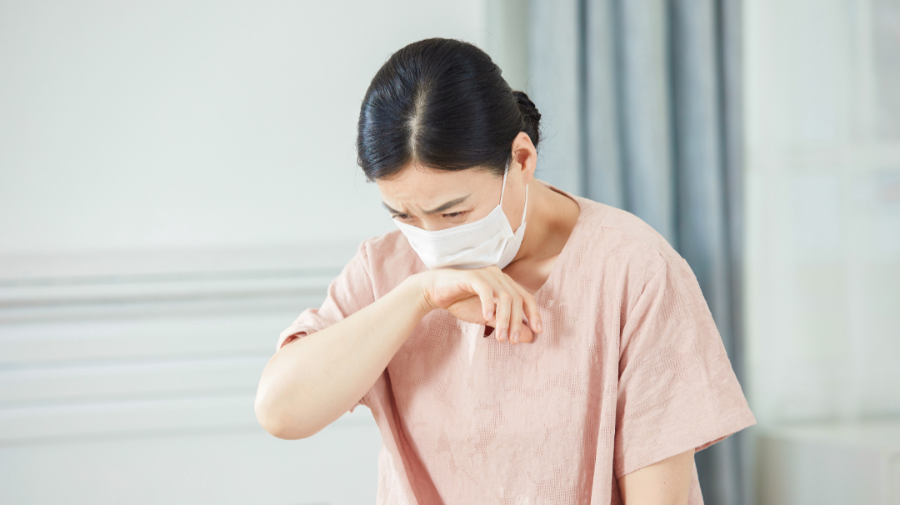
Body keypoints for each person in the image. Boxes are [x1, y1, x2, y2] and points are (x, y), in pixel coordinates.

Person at [255, 37, 756, 505]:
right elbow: (280, 411)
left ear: (521, 158)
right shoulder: (386, 269)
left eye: (453, 213)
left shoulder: (634, 271)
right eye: (404, 216)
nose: (432, 239)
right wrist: (419, 296)